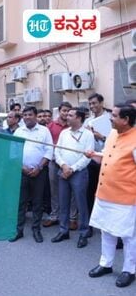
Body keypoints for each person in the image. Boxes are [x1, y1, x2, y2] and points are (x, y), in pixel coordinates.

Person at [87, 104, 136, 288]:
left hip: (126, 198)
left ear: (126, 120)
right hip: (104, 193)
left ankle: (129, 270)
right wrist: (94, 155)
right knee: (106, 230)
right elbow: (108, 158)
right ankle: (105, 264)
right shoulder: (113, 134)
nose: (110, 118)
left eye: (114, 116)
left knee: (128, 236)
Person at [51, 108, 94, 248]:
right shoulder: (64, 133)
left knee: (81, 204)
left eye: (70, 115)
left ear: (79, 118)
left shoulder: (88, 134)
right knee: (63, 203)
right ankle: (64, 231)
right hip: (63, 171)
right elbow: (57, 151)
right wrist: (63, 166)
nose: (66, 117)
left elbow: (88, 156)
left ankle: (83, 233)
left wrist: (73, 169)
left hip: (79, 173)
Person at [10, 106, 53, 243]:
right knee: (21, 202)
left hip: (39, 172)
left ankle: (36, 230)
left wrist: (39, 167)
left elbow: (49, 150)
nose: (27, 117)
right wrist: (22, 168)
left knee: (37, 202)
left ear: (35, 116)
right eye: (25, 115)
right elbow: (13, 153)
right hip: (22, 171)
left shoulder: (44, 131)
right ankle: (18, 230)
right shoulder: (18, 131)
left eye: (30, 114)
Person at [43, 102, 78, 230]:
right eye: (64, 110)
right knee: (55, 191)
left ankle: (72, 218)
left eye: (69, 111)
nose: (66, 113)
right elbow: (47, 144)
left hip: (71, 163)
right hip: (55, 162)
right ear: (59, 111)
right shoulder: (50, 126)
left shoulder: (75, 126)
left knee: (73, 191)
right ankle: (54, 215)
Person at [85, 93, 112, 214]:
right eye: (90, 104)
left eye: (94, 103)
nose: (92, 106)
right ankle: (91, 218)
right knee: (90, 190)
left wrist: (101, 137)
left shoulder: (110, 118)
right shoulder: (88, 121)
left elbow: (115, 139)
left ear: (101, 103)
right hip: (92, 160)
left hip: (107, 160)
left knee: (106, 191)